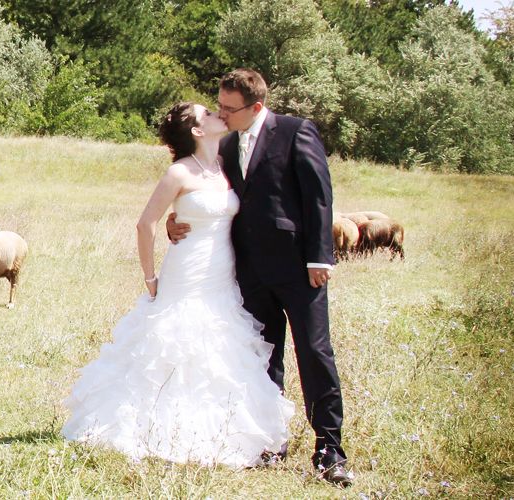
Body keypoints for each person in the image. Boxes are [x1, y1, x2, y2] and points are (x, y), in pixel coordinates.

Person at [62, 101, 295, 469]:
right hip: (186, 271)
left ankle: (225, 428)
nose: (218, 114)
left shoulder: (224, 165)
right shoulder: (179, 173)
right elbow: (144, 224)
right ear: (198, 132)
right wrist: (150, 275)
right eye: (207, 114)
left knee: (220, 344)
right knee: (175, 343)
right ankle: (157, 425)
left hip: (223, 271)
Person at [167, 69, 352, 486]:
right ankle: (269, 442)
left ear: (256, 106)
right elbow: (206, 193)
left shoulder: (295, 132)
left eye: (230, 109)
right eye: (219, 106)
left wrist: (320, 257)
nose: (222, 114)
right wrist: (175, 221)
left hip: (298, 269)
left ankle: (329, 450)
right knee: (263, 358)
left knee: (315, 353)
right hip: (247, 270)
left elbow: (319, 196)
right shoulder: (224, 144)